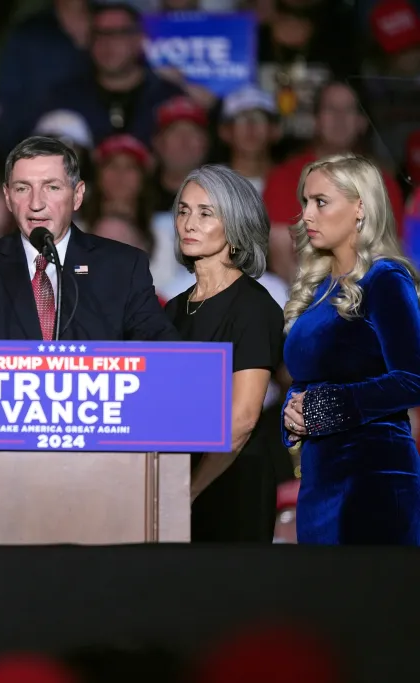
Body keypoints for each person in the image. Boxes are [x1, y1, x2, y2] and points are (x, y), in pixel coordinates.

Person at [282, 154, 420, 545]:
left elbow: (413, 378)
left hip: (373, 478)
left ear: (360, 206)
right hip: (319, 479)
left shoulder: (386, 279)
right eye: (305, 202)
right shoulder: (318, 288)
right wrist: (294, 410)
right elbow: (312, 381)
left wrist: (324, 407)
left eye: (320, 202)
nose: (307, 214)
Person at [0, 135, 178, 341]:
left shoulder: (122, 267)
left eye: (52, 187)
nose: (36, 204)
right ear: (7, 197)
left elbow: (163, 354)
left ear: (78, 195)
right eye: (22, 188)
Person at [164, 165, 285, 542]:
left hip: (232, 486)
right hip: (179, 484)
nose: (189, 223)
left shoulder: (253, 307)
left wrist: (191, 490)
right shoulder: (174, 308)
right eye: (183, 210)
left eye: (205, 213)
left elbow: (242, 421)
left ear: (235, 225)